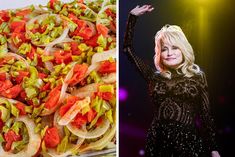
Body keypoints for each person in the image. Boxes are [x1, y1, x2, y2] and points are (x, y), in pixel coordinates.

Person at [123, 4, 221, 157]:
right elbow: (127, 50)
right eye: (164, 49)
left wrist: (213, 149)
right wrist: (132, 17)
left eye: (174, 48)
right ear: (159, 53)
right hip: (157, 144)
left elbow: (205, 115)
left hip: (188, 143)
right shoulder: (154, 76)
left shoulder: (197, 76)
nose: (169, 53)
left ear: (183, 49)